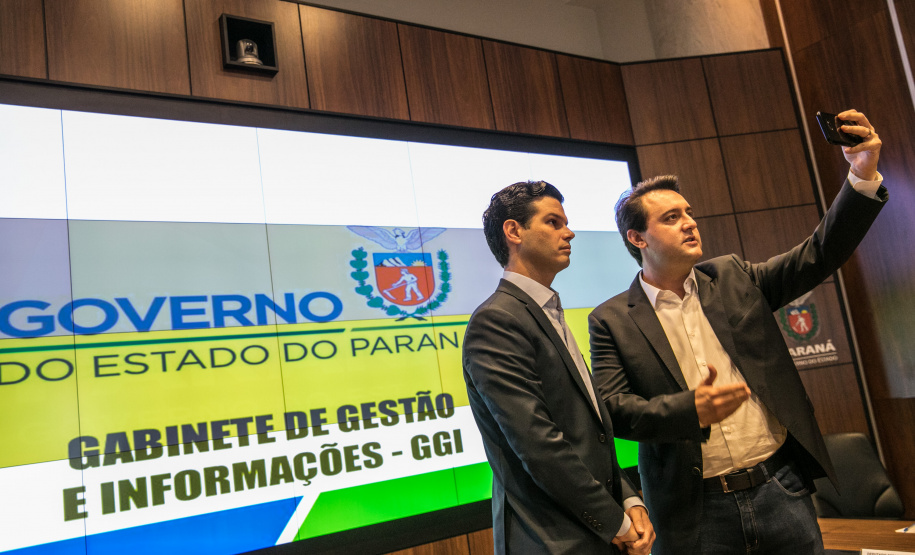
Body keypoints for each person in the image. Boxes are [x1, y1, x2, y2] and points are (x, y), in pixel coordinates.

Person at [588, 110, 887, 555]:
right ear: (638, 238)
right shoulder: (611, 319)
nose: (690, 222)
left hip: (779, 487)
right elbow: (615, 410)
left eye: (689, 212)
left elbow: (819, 254)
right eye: (671, 217)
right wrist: (689, 409)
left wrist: (861, 175)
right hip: (694, 511)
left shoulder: (732, 277)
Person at [463, 181, 655, 554]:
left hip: (593, 530)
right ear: (514, 231)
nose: (569, 232)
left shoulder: (545, 310)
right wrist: (615, 521)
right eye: (553, 222)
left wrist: (629, 499)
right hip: (551, 539)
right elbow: (538, 445)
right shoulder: (497, 320)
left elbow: (590, 434)